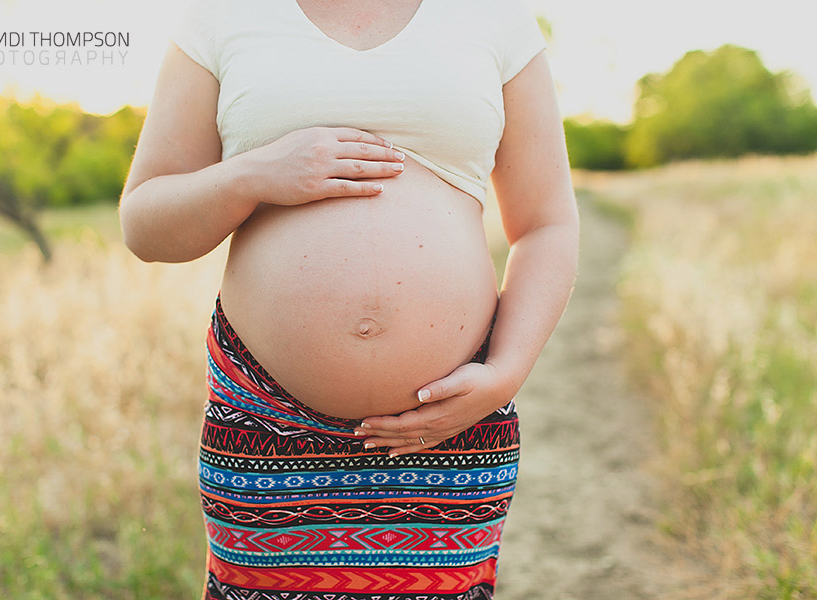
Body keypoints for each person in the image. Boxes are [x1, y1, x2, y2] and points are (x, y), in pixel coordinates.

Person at [119, 0, 579, 598]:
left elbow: (546, 224)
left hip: (443, 425)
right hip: (268, 424)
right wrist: (253, 175)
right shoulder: (221, 14)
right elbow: (144, 224)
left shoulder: (493, 15)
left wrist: (506, 373)